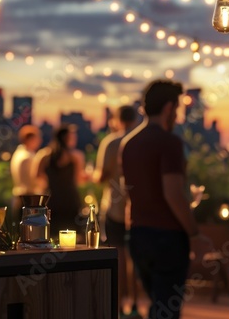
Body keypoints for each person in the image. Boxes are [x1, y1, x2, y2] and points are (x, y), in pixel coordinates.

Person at [121, 80, 211, 319]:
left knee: (157, 304)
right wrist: (194, 233)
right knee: (166, 310)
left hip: (138, 236)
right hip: (167, 239)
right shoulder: (170, 143)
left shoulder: (128, 144)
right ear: (170, 108)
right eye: (178, 109)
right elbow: (172, 193)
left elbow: (131, 193)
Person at [93, 105, 138, 317]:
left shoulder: (110, 142)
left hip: (114, 207)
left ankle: (119, 306)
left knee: (118, 257)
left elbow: (100, 176)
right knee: (135, 258)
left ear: (117, 119)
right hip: (138, 208)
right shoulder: (140, 140)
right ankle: (136, 304)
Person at [33, 124, 87, 237]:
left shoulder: (44, 155)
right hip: (71, 201)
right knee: (72, 235)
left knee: (51, 235)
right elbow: (79, 181)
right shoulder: (76, 157)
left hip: (52, 200)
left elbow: (37, 177)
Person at [10, 125, 42, 222]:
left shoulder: (18, 154)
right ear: (30, 139)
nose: (39, 141)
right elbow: (32, 180)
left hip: (19, 198)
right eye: (37, 138)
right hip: (28, 200)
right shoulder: (27, 157)